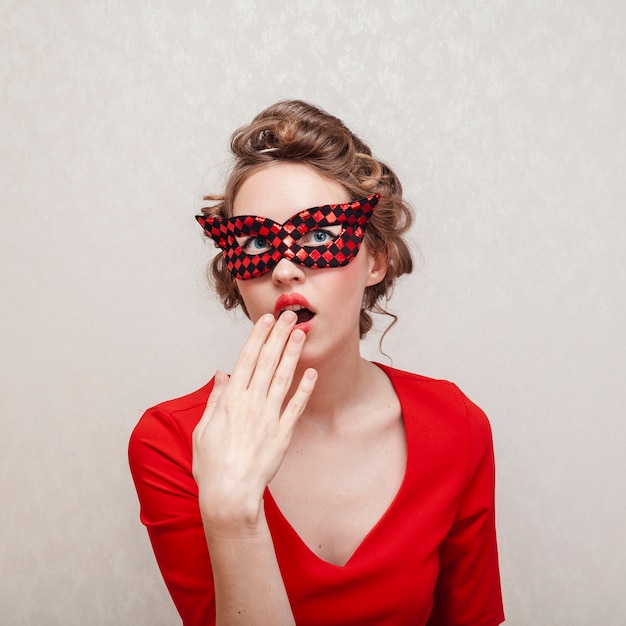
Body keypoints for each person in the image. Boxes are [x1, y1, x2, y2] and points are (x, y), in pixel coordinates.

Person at [128, 100, 504, 626]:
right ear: (235, 271)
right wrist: (233, 515)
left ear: (376, 259)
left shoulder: (455, 426)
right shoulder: (172, 442)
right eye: (257, 241)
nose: (284, 268)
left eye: (320, 236)